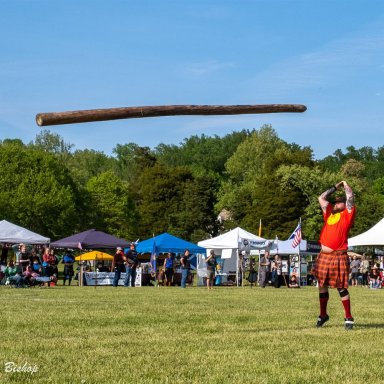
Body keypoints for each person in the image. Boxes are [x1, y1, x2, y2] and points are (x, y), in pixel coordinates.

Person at [314, 180, 356, 330]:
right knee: (322, 286)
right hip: (324, 256)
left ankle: (349, 317)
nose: (337, 203)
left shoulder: (347, 215)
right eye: (336, 202)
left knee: (341, 287)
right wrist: (335, 187)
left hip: (338, 255)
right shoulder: (329, 213)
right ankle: (323, 314)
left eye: (340, 202)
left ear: (345, 205)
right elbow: (321, 198)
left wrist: (345, 185)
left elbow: (350, 197)